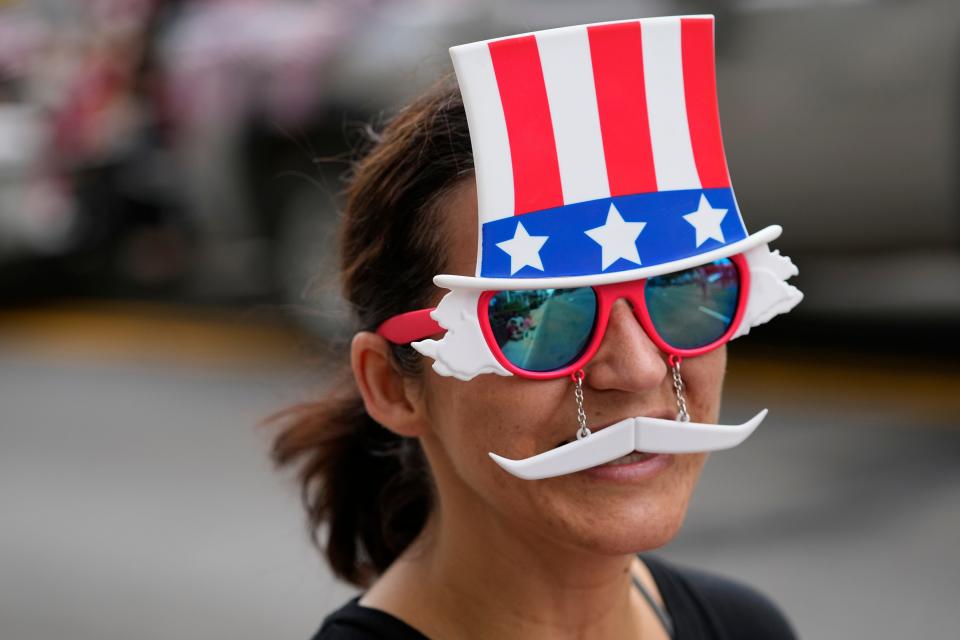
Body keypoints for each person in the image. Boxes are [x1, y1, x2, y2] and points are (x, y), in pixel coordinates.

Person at [272, 16, 802, 639]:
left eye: (682, 290)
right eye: (539, 314)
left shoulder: (746, 629)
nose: (637, 369)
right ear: (391, 385)